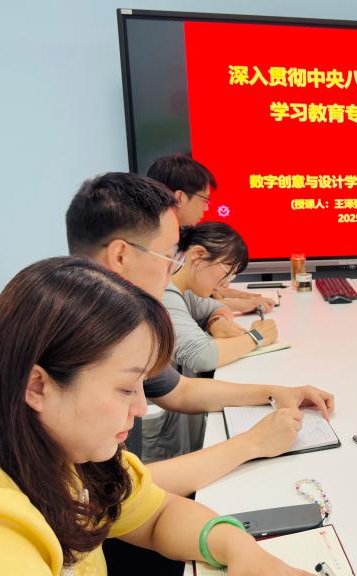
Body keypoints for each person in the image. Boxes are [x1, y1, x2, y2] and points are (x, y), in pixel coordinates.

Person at [0, 257, 312, 575]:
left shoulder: (60, 447)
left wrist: (238, 547)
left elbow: (157, 513)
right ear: (36, 386)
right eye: (125, 388)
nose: (141, 408)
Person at [65, 172, 333, 493]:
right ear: (120, 255)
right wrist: (252, 443)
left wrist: (274, 392)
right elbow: (110, 494)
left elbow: (180, 391)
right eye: (168, 257)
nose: (172, 270)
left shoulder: (122, 321)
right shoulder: (73, 340)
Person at [147, 153, 275, 314]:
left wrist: (232, 296)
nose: (206, 207)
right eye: (205, 199)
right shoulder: (153, 247)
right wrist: (236, 306)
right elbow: (172, 304)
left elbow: (185, 295)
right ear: (179, 197)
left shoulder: (168, 235)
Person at [167, 221, 278, 375]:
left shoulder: (186, 292)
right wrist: (257, 336)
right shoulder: (166, 294)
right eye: (227, 272)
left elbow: (218, 308)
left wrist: (216, 322)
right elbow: (200, 357)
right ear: (198, 255)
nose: (225, 284)